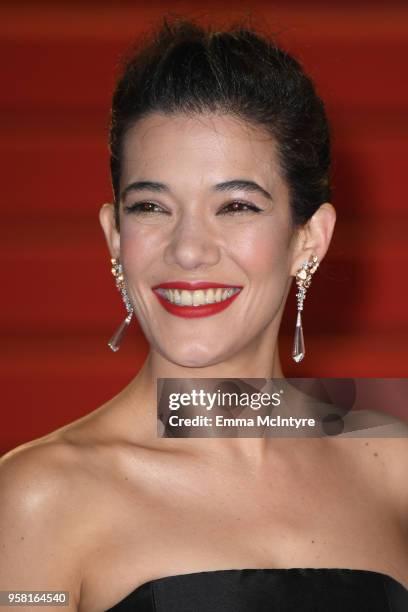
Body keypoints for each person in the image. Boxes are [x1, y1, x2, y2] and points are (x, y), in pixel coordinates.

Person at [1, 16, 407, 612]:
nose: (188, 249)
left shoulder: (391, 466)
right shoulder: (39, 497)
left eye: (236, 205)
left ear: (309, 239)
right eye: (151, 207)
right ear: (115, 235)